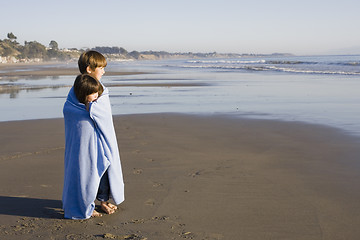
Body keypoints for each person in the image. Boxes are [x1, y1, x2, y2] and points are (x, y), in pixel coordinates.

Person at [62, 51, 125, 219]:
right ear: (89, 69)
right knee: (85, 170)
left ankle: (103, 201)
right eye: (101, 68)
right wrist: (90, 110)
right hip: (84, 138)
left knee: (104, 169)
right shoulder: (78, 89)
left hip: (100, 137)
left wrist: (94, 109)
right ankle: (85, 205)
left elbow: (102, 114)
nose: (103, 71)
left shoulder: (101, 89)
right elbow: (71, 110)